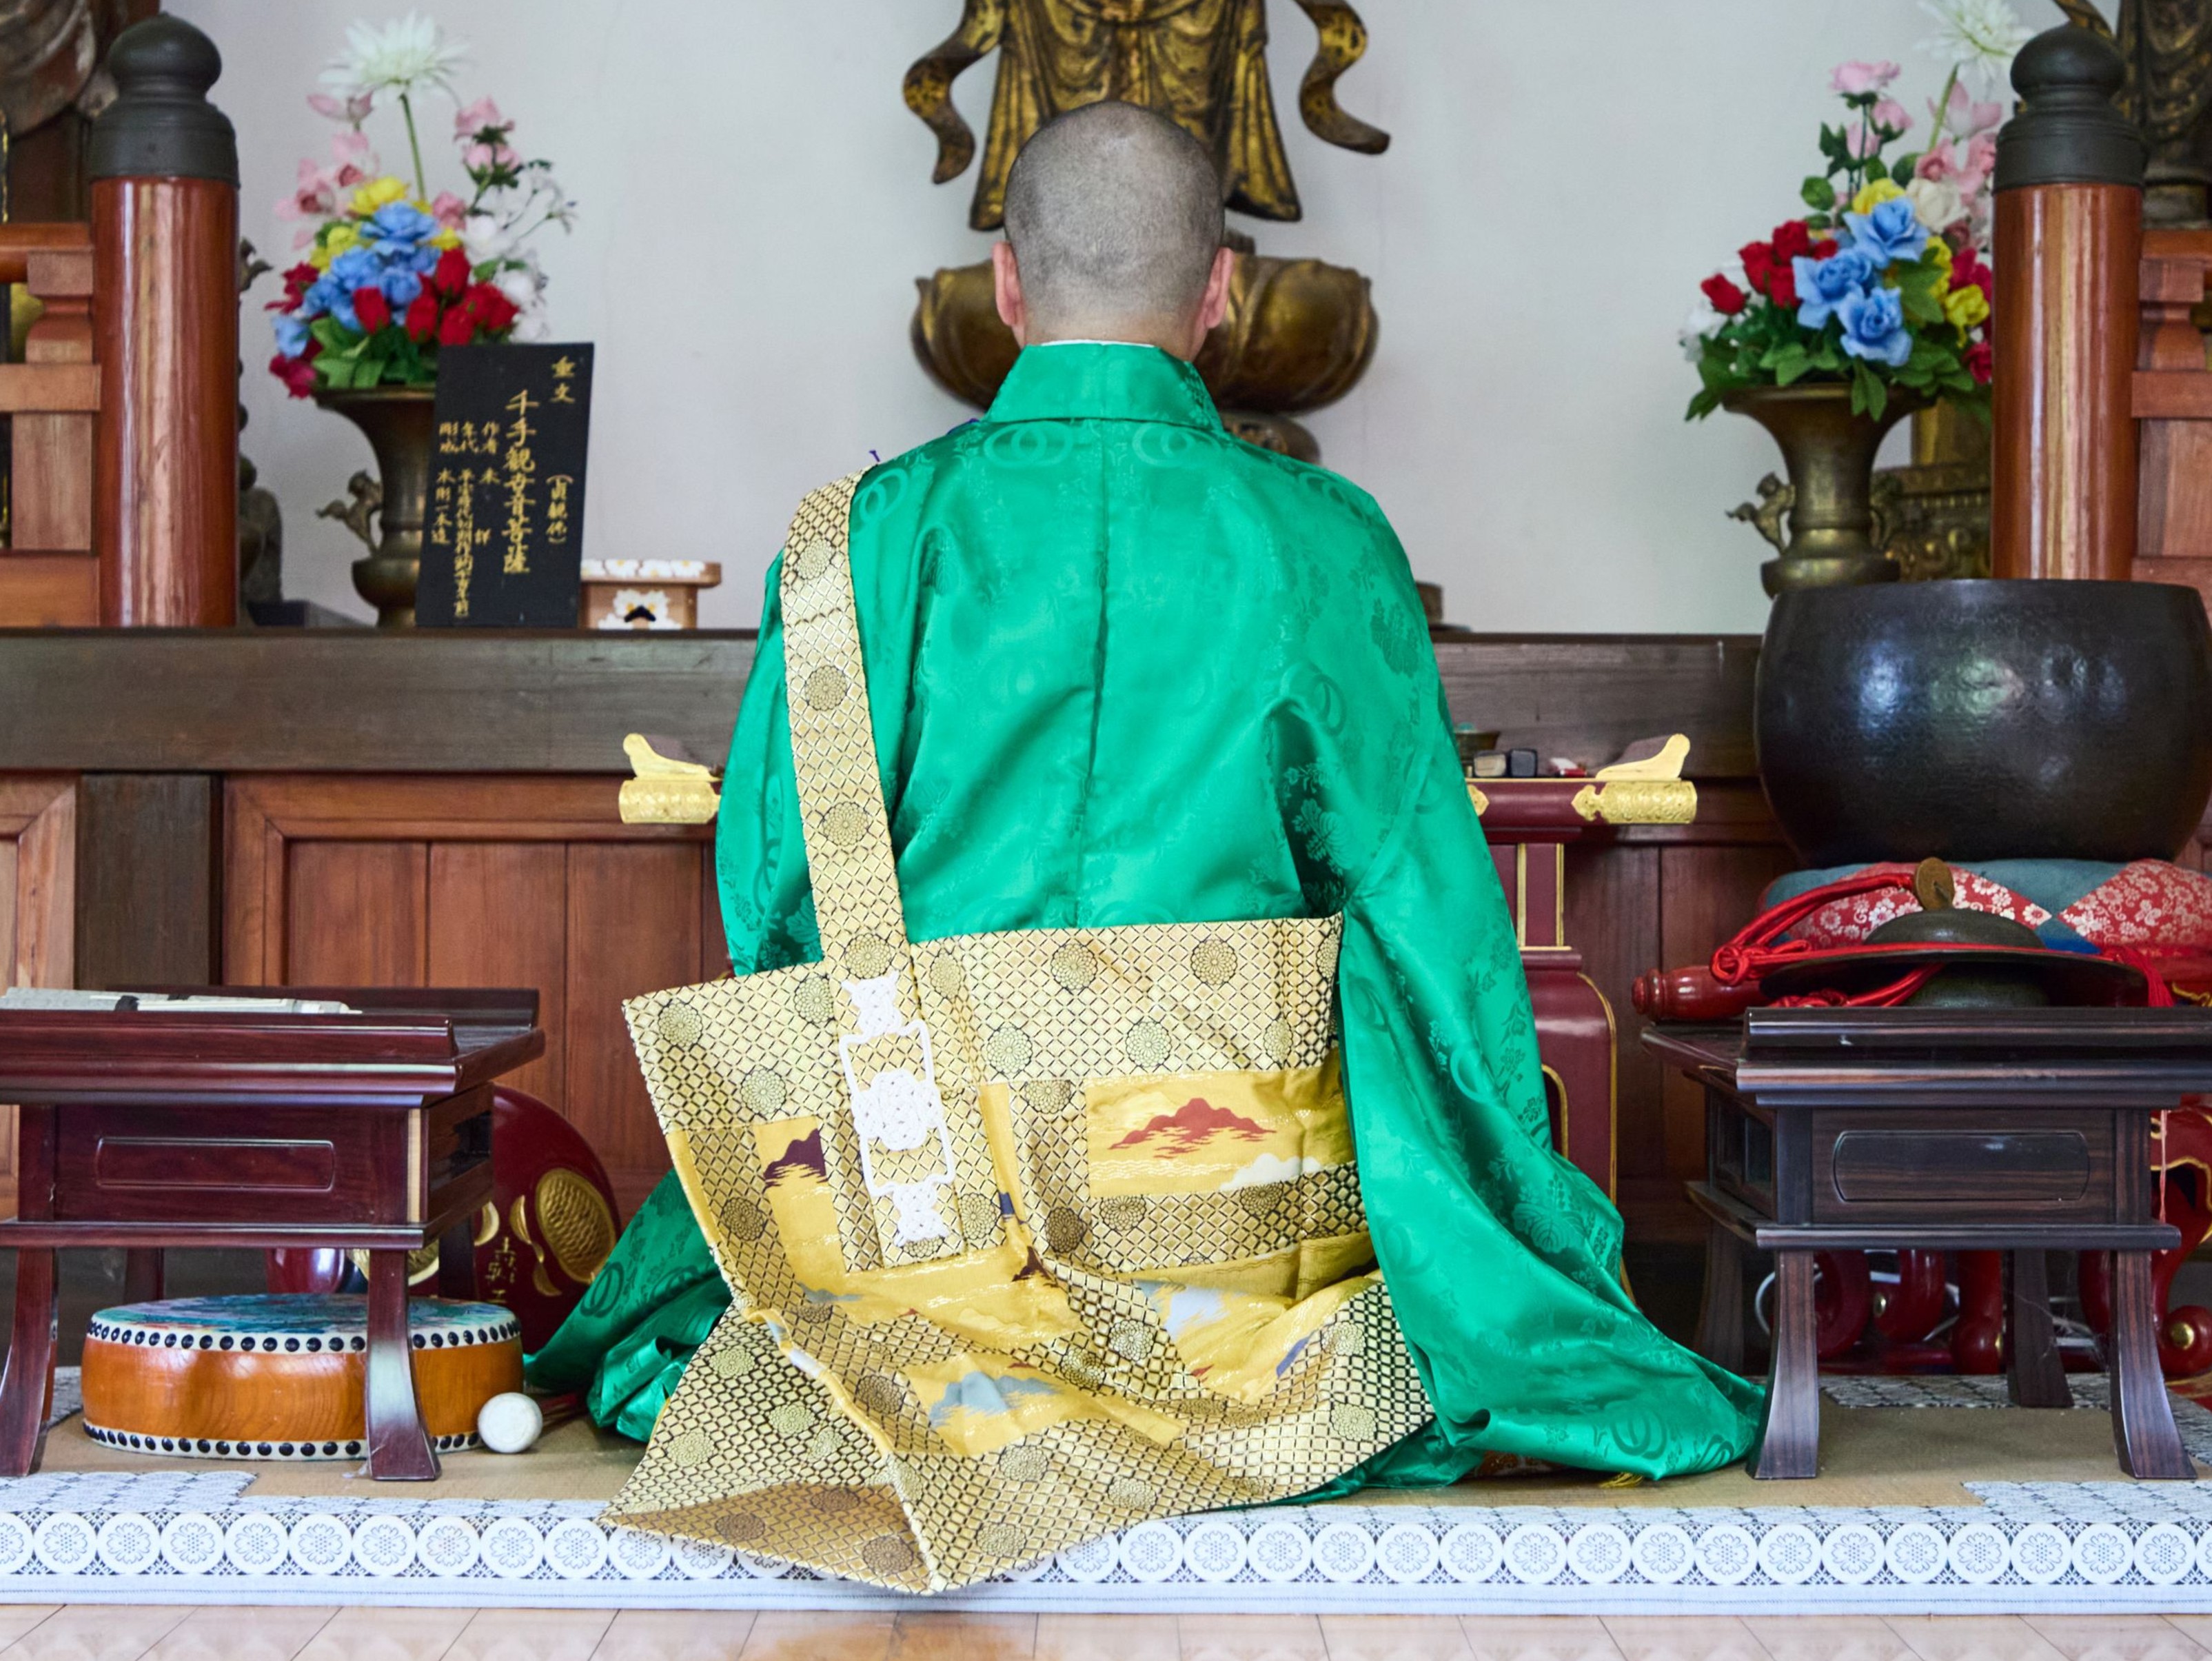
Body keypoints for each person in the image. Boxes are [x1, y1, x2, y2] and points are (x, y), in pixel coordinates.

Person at [529, 98, 1758, 1558]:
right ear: (1222, 293)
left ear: (1005, 281)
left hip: (916, 1249)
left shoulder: (858, 535)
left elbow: (779, 890)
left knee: (750, 1320)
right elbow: (1419, 911)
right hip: (1246, 1259)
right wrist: (1500, 1210)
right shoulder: (1324, 537)